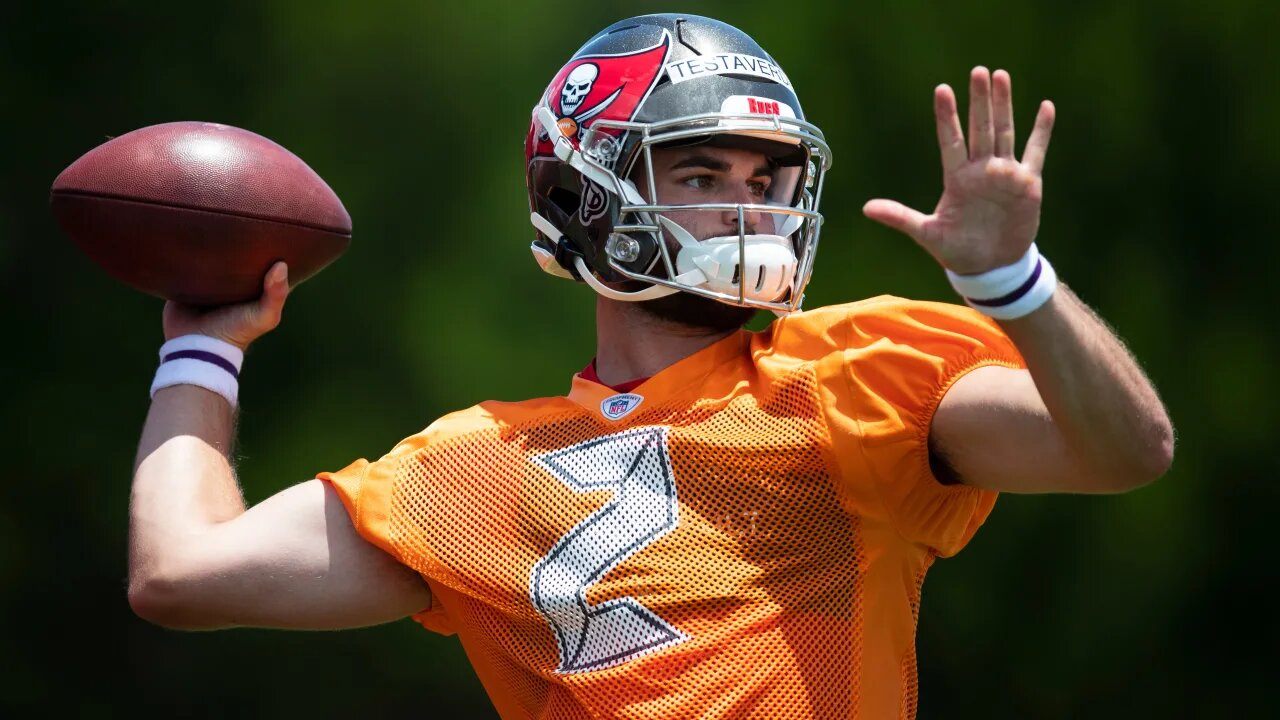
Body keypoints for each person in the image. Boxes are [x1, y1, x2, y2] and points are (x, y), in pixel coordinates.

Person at [127, 13, 1174, 719]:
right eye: (702, 171)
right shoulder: (473, 467)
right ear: (581, 194)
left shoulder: (852, 380)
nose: (750, 204)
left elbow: (1123, 451)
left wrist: (1011, 284)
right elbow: (177, 573)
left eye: (767, 176)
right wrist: (204, 344)